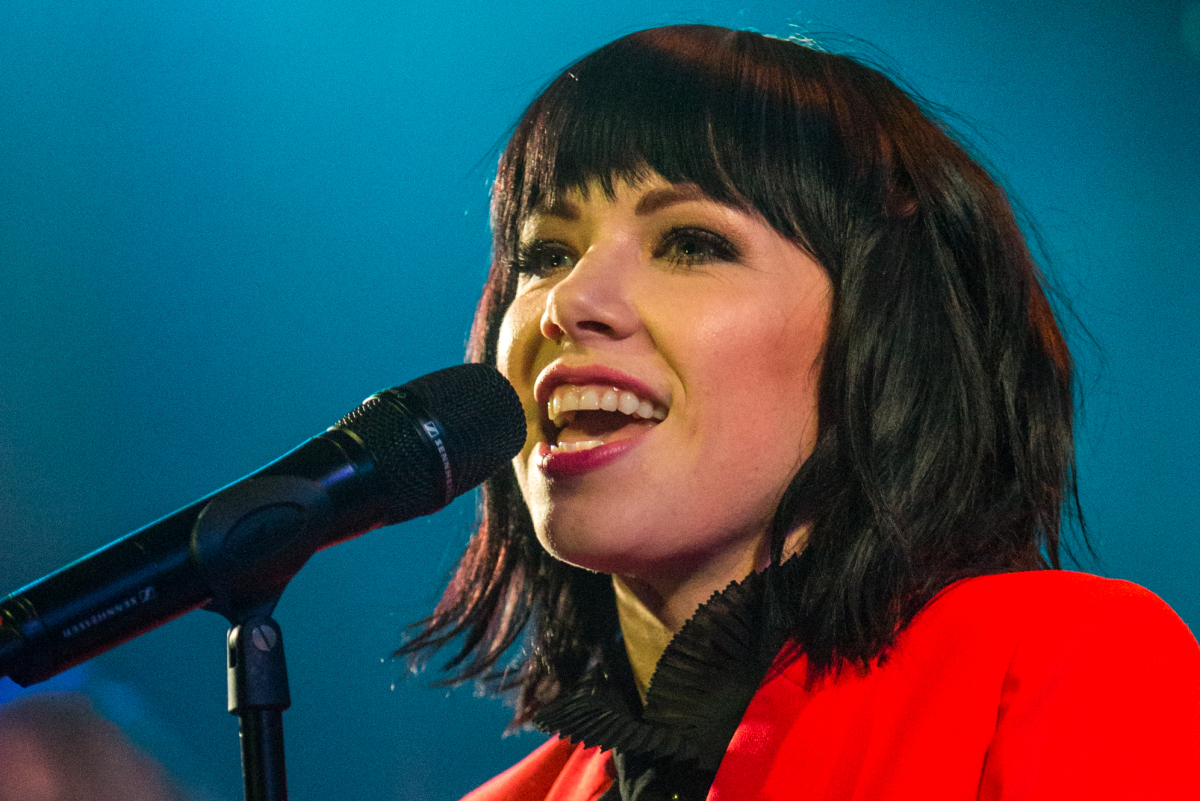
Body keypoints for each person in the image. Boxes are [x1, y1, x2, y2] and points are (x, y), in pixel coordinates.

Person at [399, 24, 1200, 800]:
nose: (570, 301)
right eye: (545, 254)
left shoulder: (1054, 673)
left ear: (881, 336)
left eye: (690, 243)